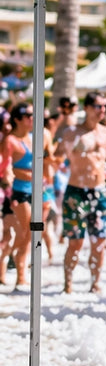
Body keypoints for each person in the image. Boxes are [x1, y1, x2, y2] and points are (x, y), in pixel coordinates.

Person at [57, 92, 106, 293]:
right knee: (75, 242)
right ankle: (68, 283)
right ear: (86, 108)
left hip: (99, 191)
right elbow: (56, 156)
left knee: (99, 240)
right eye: (97, 106)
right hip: (76, 191)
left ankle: (95, 282)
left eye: (104, 106)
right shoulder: (71, 133)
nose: (102, 110)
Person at [1, 103, 44, 288]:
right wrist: (8, 178)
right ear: (17, 119)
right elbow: (4, 165)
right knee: (28, 229)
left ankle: (19, 269)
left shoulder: (35, 138)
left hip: (36, 190)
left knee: (34, 230)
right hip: (17, 192)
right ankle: (17, 266)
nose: (32, 118)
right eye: (28, 115)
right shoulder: (9, 141)